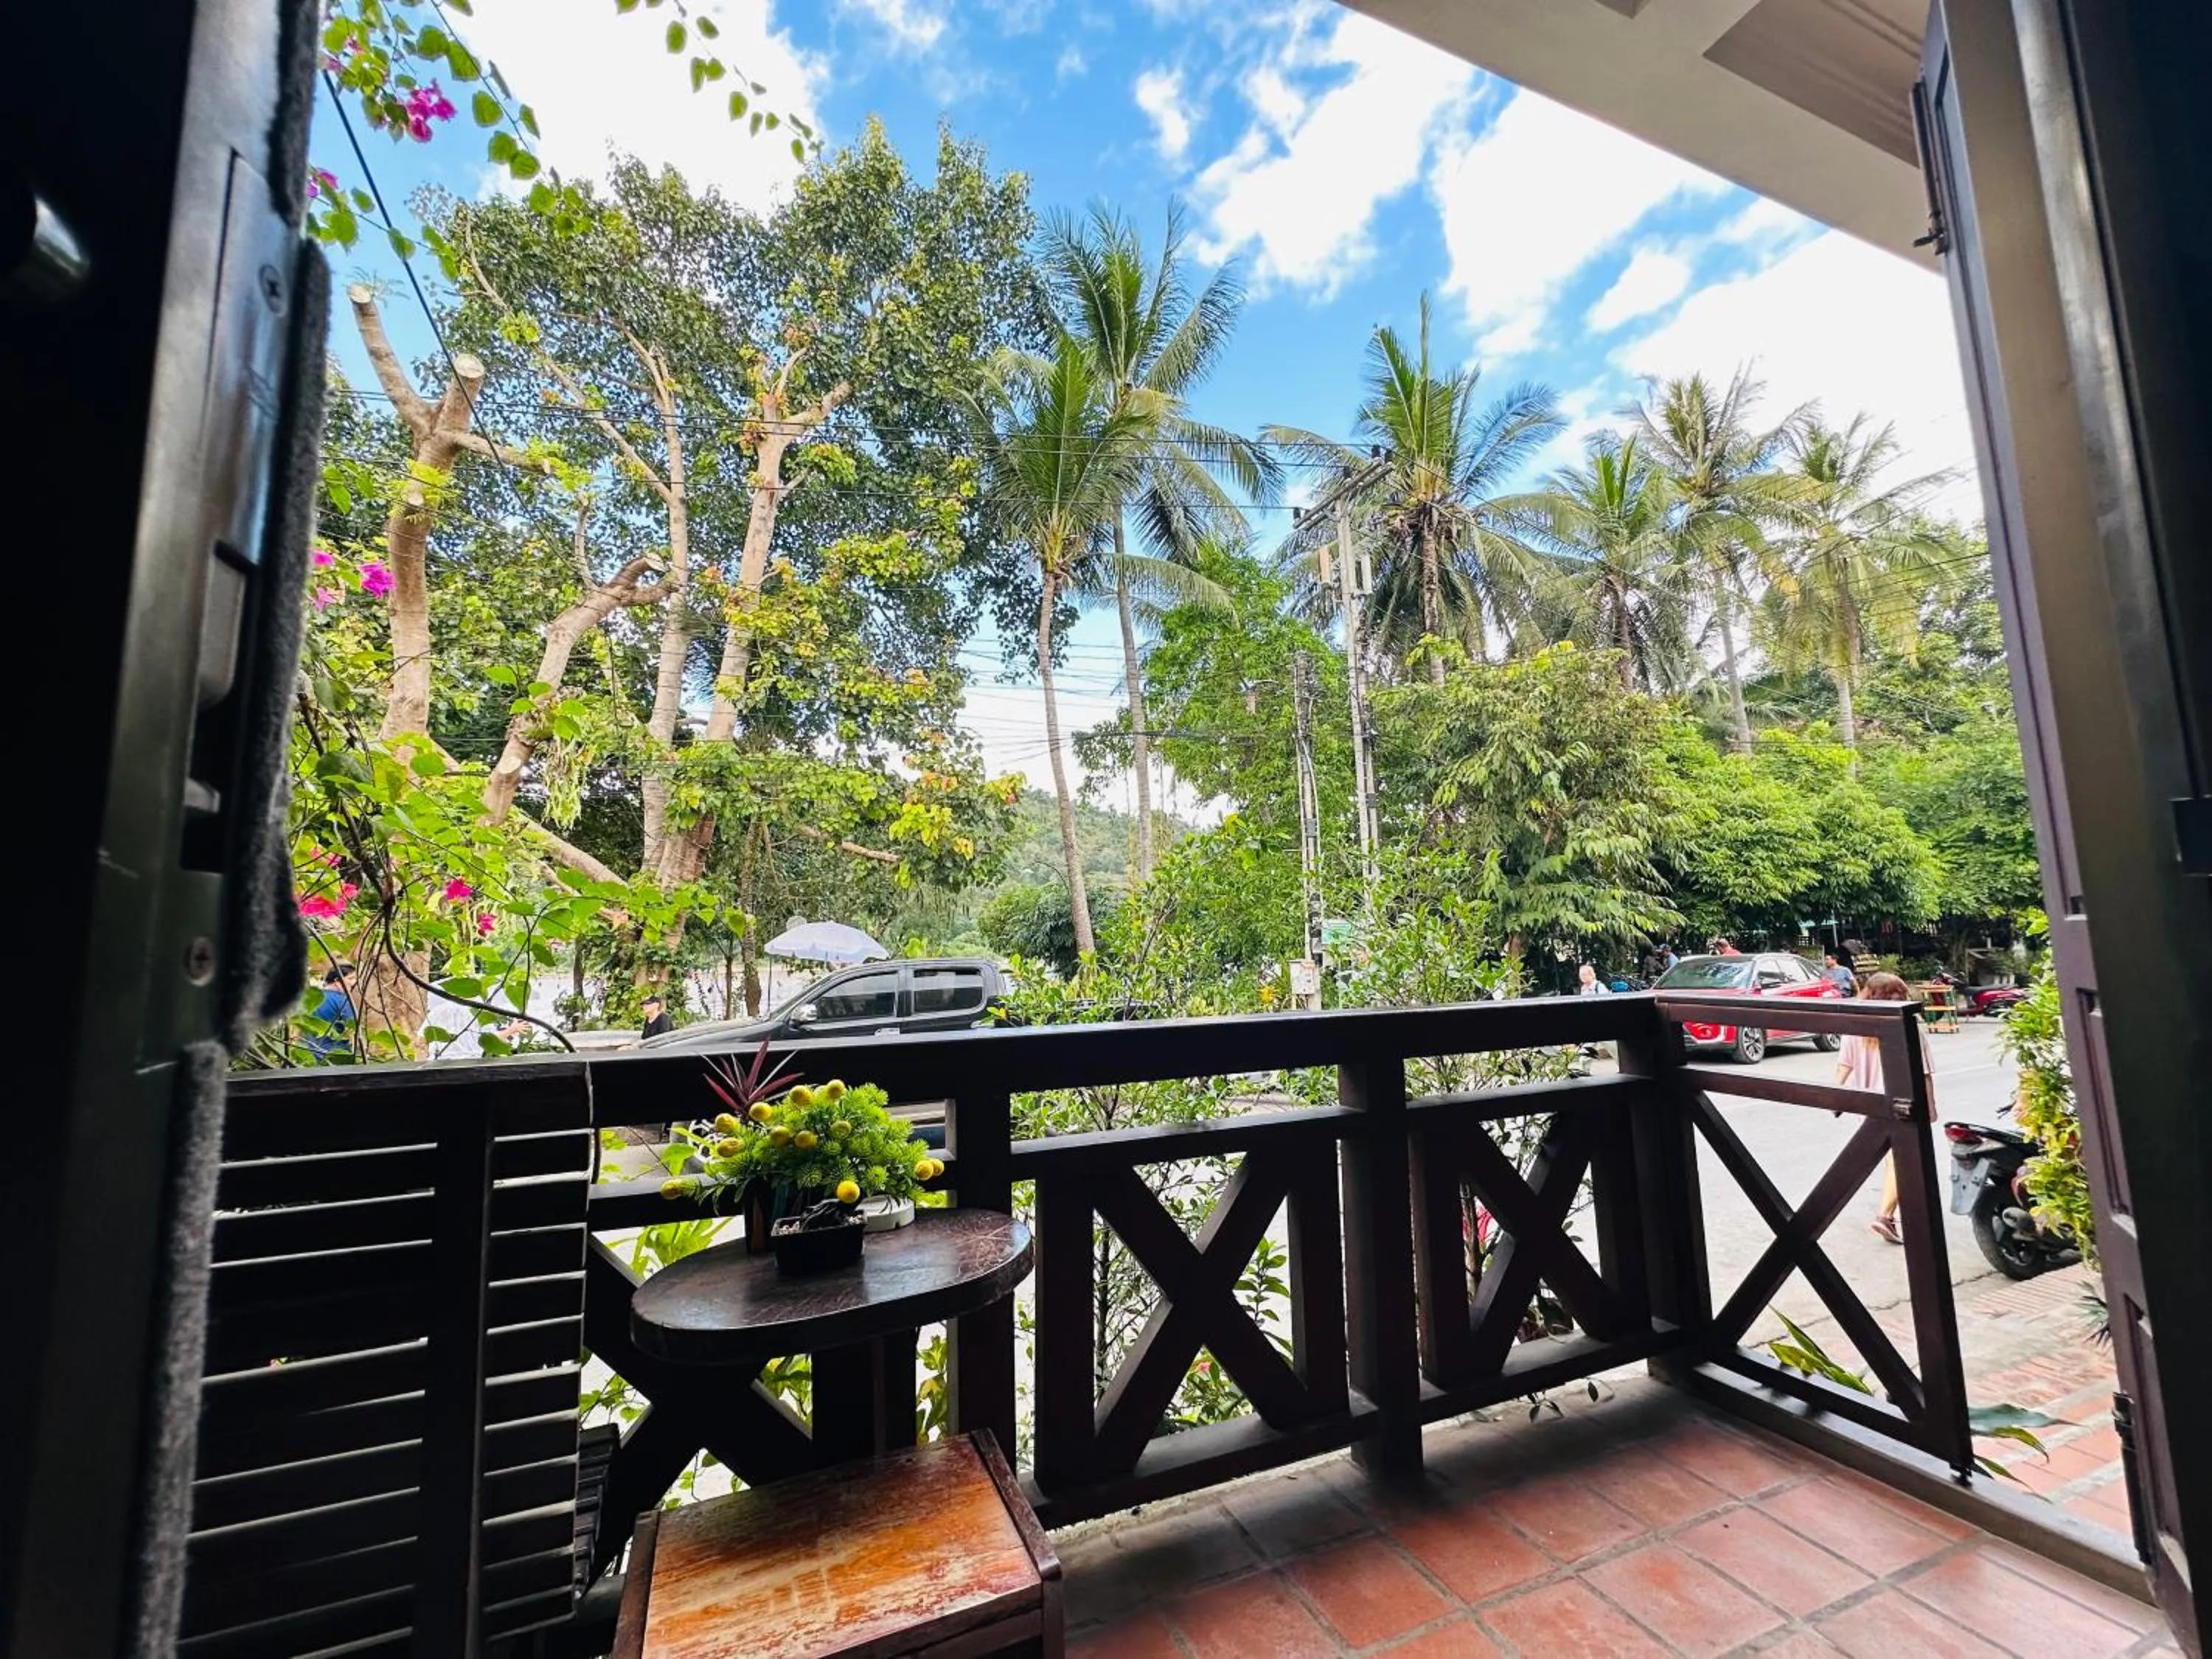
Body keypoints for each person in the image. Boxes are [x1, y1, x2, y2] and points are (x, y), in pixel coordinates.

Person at [1836, 971, 1924, 1242]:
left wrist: (1835, 1098)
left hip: (1870, 1105)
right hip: (1901, 1105)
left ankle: (1892, 1217)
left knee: (1893, 1162)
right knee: (1900, 1162)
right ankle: (1885, 1216)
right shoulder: (1907, 1024)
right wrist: (1929, 1106)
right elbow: (1925, 1071)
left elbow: (1843, 1067)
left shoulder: (1856, 1026)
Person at [306, 963, 355, 1061]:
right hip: (336, 1059)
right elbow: (352, 1032)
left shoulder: (313, 999)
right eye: (351, 979)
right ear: (337, 981)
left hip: (310, 1057)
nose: (354, 983)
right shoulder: (343, 1001)